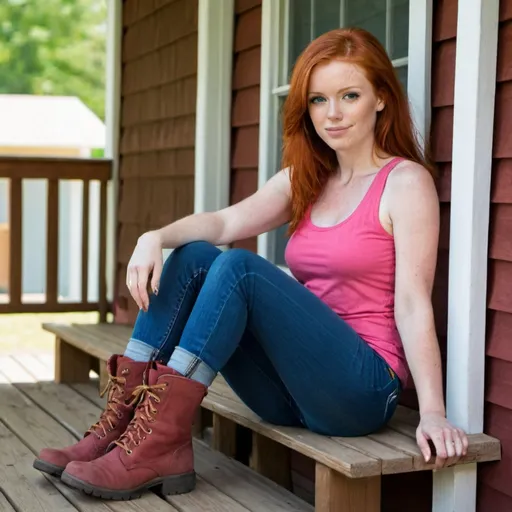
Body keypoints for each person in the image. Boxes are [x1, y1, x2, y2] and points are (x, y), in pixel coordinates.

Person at [34, 27, 469, 500]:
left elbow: (411, 303)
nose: (334, 113)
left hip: (361, 392)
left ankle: (161, 439)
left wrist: (432, 412)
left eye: (350, 95)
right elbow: (223, 223)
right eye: (319, 100)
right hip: (288, 392)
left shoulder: (404, 183)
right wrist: (152, 237)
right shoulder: (306, 178)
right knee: (196, 255)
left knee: (239, 269)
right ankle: (117, 428)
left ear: (381, 98)